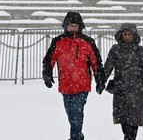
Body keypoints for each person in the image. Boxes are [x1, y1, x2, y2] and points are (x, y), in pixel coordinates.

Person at [43, 11, 104, 140]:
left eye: (75, 26)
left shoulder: (88, 42)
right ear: (65, 26)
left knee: (77, 112)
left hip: (82, 85)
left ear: (80, 26)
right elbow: (49, 60)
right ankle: (77, 135)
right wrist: (47, 75)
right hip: (65, 85)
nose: (72, 28)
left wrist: (100, 80)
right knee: (70, 113)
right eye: (70, 25)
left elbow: (96, 62)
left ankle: (76, 137)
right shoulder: (58, 41)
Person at [101, 23, 143, 140]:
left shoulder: (140, 51)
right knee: (123, 120)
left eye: (129, 34)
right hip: (121, 90)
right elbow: (108, 67)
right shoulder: (115, 49)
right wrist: (102, 81)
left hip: (136, 91)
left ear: (134, 36)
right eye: (124, 34)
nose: (126, 37)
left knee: (134, 121)